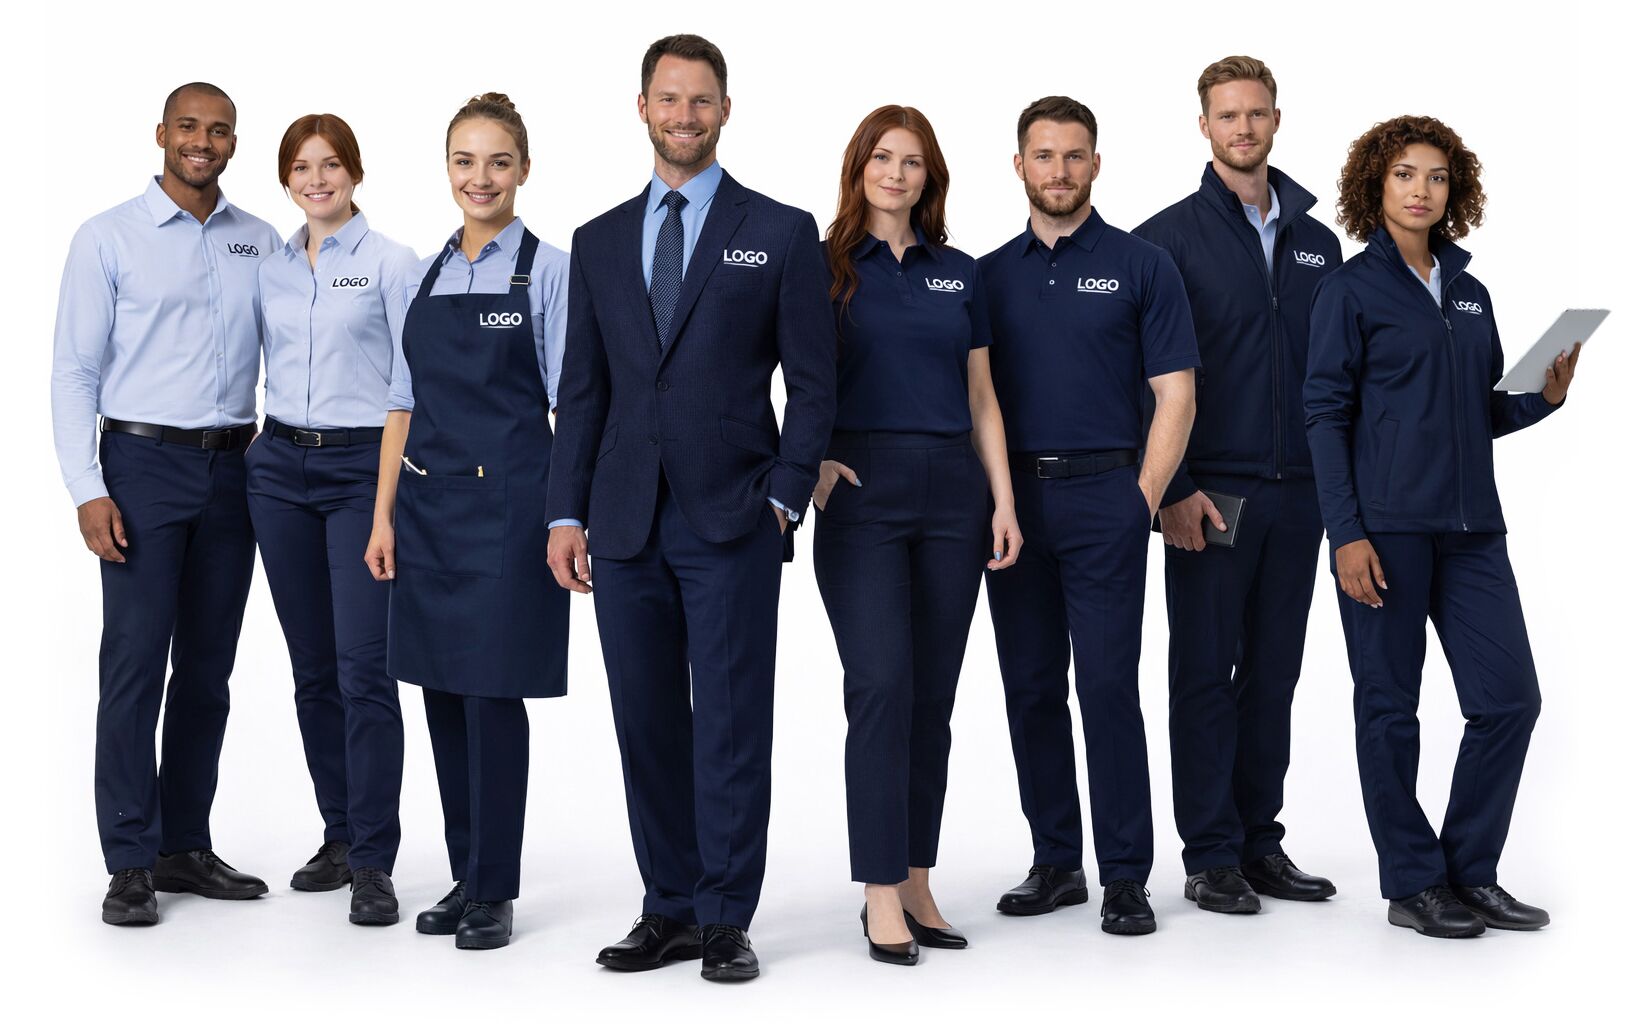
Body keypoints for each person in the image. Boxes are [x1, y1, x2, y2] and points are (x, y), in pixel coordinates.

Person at [545, 34, 835, 982]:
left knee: (732, 722)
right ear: (642, 108)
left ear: (725, 110)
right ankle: (667, 906)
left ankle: (724, 917)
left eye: (700, 100)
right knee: (647, 722)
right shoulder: (596, 240)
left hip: (734, 517)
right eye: (668, 99)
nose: (684, 116)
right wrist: (565, 513)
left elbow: (815, 384)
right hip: (624, 520)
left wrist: (785, 497)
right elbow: (582, 391)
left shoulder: (779, 230)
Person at [1305, 115, 1576, 938]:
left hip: (1472, 532)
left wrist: (1544, 398)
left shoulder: (1469, 291)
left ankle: (1469, 872)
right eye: (1405, 175)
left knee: (1510, 701)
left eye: (1436, 177)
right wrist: (1346, 534)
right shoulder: (1349, 290)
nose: (1421, 190)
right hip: (1384, 531)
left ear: (1455, 191)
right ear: (1375, 185)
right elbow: (1324, 415)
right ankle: (1413, 883)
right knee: (1390, 711)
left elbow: (1476, 411)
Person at [53, 83, 281, 927]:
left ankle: (182, 845)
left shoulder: (260, 241)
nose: (202, 141)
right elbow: (74, 370)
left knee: (208, 671)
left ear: (233, 144)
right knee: (135, 664)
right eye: (189, 126)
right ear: (161, 134)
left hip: (234, 469)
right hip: (141, 466)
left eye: (219, 130)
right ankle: (128, 859)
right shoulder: (107, 237)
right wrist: (88, 488)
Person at [979, 95, 1198, 936]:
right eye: (1044, 155)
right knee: (1031, 687)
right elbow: (971, 396)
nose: (1060, 170)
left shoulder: (1143, 265)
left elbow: (1176, 393)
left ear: (1097, 164)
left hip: (1107, 497)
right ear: (1019, 165)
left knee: (1107, 687)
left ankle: (1127, 875)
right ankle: (1056, 862)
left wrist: (1141, 498)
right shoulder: (986, 276)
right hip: (1013, 506)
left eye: (1075, 155)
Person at [813, 105, 1021, 966]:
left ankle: (916, 876)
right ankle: (877, 889)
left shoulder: (959, 273)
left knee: (931, 697)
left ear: (929, 174)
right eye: (883, 158)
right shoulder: (823, 267)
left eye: (912, 161)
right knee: (881, 686)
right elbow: (776, 369)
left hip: (953, 495)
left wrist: (1003, 500)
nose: (896, 174)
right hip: (863, 492)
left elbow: (982, 396)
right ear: (858, 166)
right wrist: (808, 461)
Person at [1132, 55, 1340, 913]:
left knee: (1274, 674)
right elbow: (1138, 383)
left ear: (1276, 120)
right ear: (1204, 126)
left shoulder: (1319, 242)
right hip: (1211, 492)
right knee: (1203, 674)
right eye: (1228, 115)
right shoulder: (1163, 240)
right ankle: (1210, 853)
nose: (1243, 128)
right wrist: (1172, 488)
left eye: (1256, 113)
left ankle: (1260, 842)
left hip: (1301, 491)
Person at [364, 93, 570, 951]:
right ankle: (465, 874)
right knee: (442, 694)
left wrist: (567, 517)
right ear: (447, 169)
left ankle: (495, 888)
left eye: (497, 161)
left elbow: (571, 405)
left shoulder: (550, 271)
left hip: (511, 513)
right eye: (464, 161)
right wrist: (383, 517)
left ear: (523, 169)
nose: (479, 178)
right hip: (429, 512)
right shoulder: (424, 275)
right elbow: (401, 405)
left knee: (491, 696)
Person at [251, 113, 416, 925]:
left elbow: (408, 392)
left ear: (355, 173)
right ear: (286, 178)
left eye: (330, 165)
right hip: (278, 469)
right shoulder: (270, 267)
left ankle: (376, 860)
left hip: (361, 473)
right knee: (313, 670)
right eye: (301, 168)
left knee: (364, 671)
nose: (316, 180)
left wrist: (386, 510)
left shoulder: (392, 263)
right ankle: (341, 836)